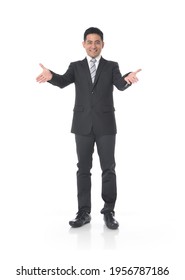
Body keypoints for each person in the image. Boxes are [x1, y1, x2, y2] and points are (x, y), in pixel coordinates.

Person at [36, 27, 141, 230]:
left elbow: (120, 84)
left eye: (97, 42)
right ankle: (83, 212)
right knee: (83, 169)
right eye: (89, 42)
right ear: (83, 44)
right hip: (82, 125)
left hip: (106, 126)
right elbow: (63, 82)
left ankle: (108, 211)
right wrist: (51, 76)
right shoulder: (76, 67)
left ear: (103, 44)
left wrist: (128, 78)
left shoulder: (111, 66)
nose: (93, 46)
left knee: (108, 169)